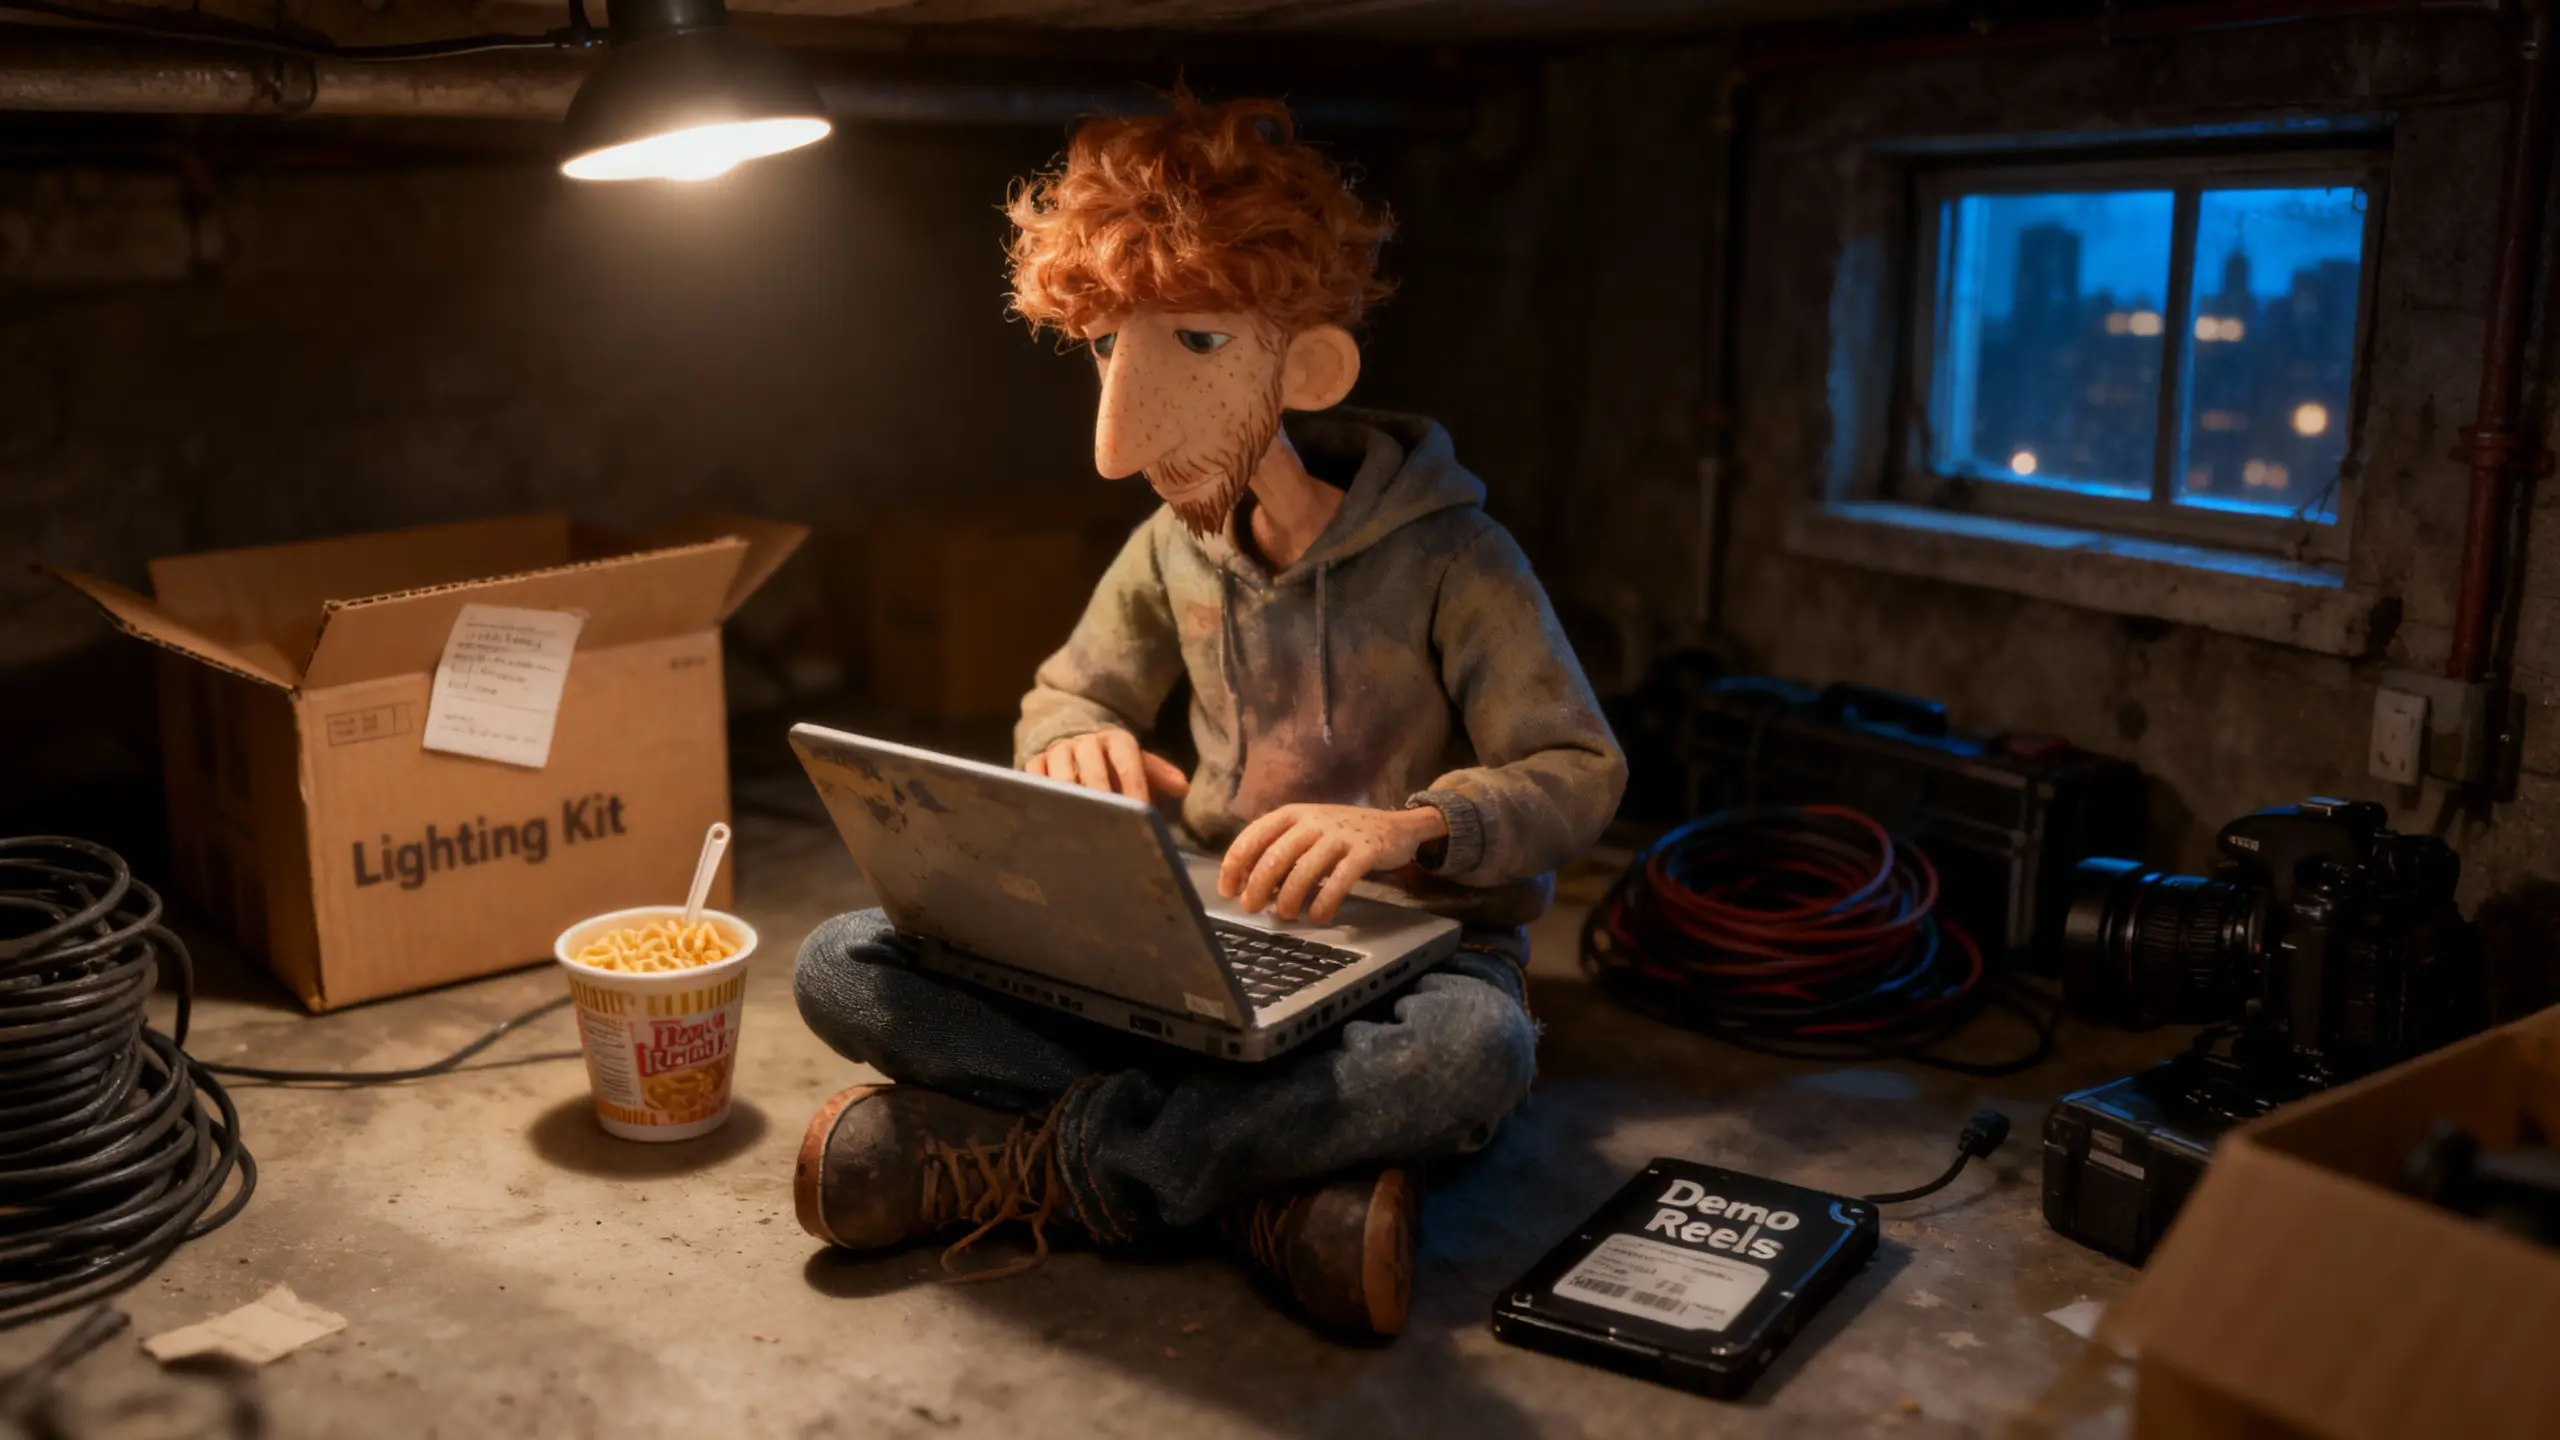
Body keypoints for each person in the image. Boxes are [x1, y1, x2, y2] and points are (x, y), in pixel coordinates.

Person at [791, 90, 1625, 1338]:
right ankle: (1259, 1189)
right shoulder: (1170, 546)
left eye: (1185, 344)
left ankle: (1056, 1171)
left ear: (1306, 366)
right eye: (1102, 350)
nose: (1117, 440)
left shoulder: (1461, 558)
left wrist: (1407, 831)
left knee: (1471, 1060)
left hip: (1422, 954)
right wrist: (1070, 738)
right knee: (842, 963)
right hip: (1203, 921)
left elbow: (1576, 767)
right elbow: (1067, 687)